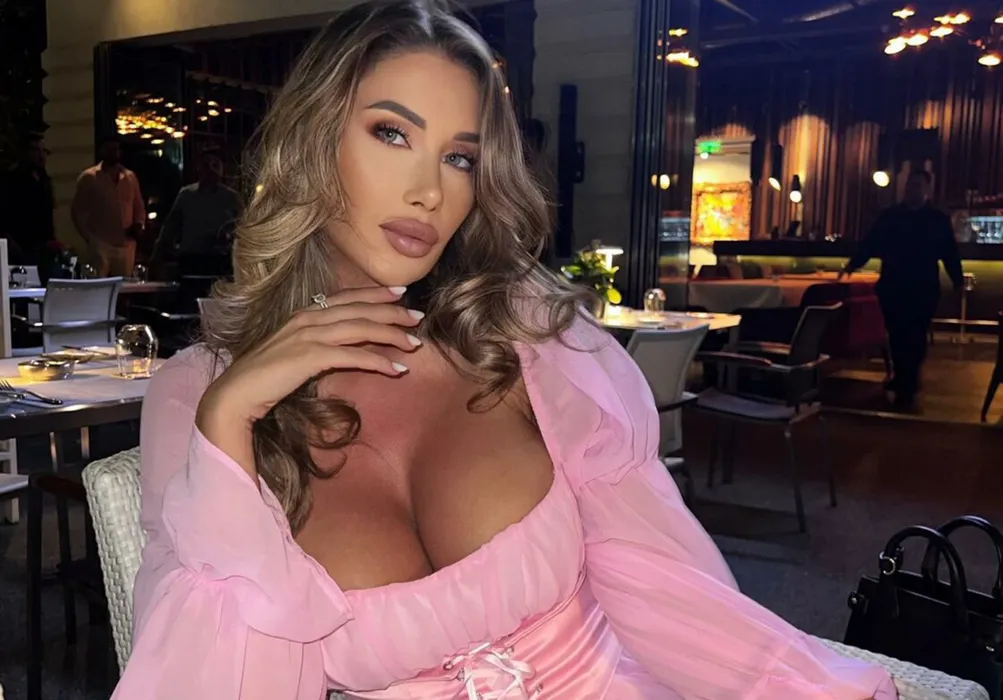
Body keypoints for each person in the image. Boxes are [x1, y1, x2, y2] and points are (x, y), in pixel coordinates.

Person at [118, 2, 897, 698]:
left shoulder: (524, 332)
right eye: (392, 133)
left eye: (459, 157)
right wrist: (229, 425)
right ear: (312, 142)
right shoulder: (201, 397)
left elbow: (669, 591)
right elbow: (211, 671)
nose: (430, 191)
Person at [840, 169, 963, 408]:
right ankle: (905, 377)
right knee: (897, 334)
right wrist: (853, 264)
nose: (911, 190)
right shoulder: (891, 217)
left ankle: (908, 379)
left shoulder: (935, 219)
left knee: (915, 335)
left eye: (916, 186)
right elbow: (870, 243)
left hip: (922, 287)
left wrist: (957, 280)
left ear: (926, 190)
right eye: (909, 185)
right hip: (894, 285)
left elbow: (950, 253)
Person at [153, 145, 241, 277]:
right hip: (191, 260)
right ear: (198, 168)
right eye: (206, 166)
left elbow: (243, 228)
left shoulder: (231, 198)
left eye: (215, 165)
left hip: (220, 261)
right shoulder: (186, 195)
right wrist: (157, 257)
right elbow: (169, 228)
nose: (211, 170)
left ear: (222, 169)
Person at [71, 137, 145, 277]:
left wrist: (139, 225)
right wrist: (89, 239)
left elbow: (139, 207)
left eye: (116, 149)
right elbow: (77, 211)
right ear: (102, 151)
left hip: (126, 245)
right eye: (110, 149)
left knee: (124, 285)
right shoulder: (89, 177)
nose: (114, 152)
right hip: (101, 243)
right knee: (97, 284)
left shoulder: (130, 177)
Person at [0, 132, 55, 264]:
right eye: (36, 150)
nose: (41, 155)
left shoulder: (44, 179)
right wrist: (10, 242)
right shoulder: (10, 179)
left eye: (44, 151)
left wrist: (51, 240)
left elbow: (47, 213)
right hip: (19, 246)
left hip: (42, 247)